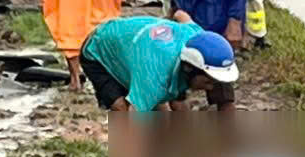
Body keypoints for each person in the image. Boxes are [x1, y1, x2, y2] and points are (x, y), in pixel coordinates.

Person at [80, 16, 238, 112]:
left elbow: (181, 15)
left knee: (173, 109)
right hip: (99, 49)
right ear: (189, 68)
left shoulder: (199, 37)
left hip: (137, 48)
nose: (211, 88)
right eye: (208, 82)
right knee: (122, 109)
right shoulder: (154, 77)